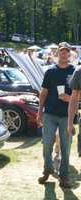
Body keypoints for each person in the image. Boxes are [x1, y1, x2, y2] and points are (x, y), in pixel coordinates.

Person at [37, 42, 75, 188]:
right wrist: (40, 111)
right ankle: (47, 170)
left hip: (67, 115)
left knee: (66, 147)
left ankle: (64, 176)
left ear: (69, 54)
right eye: (61, 51)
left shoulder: (75, 71)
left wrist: (70, 98)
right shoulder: (50, 71)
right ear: (57, 53)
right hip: (50, 114)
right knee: (47, 144)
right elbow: (44, 92)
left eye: (66, 52)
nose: (64, 54)